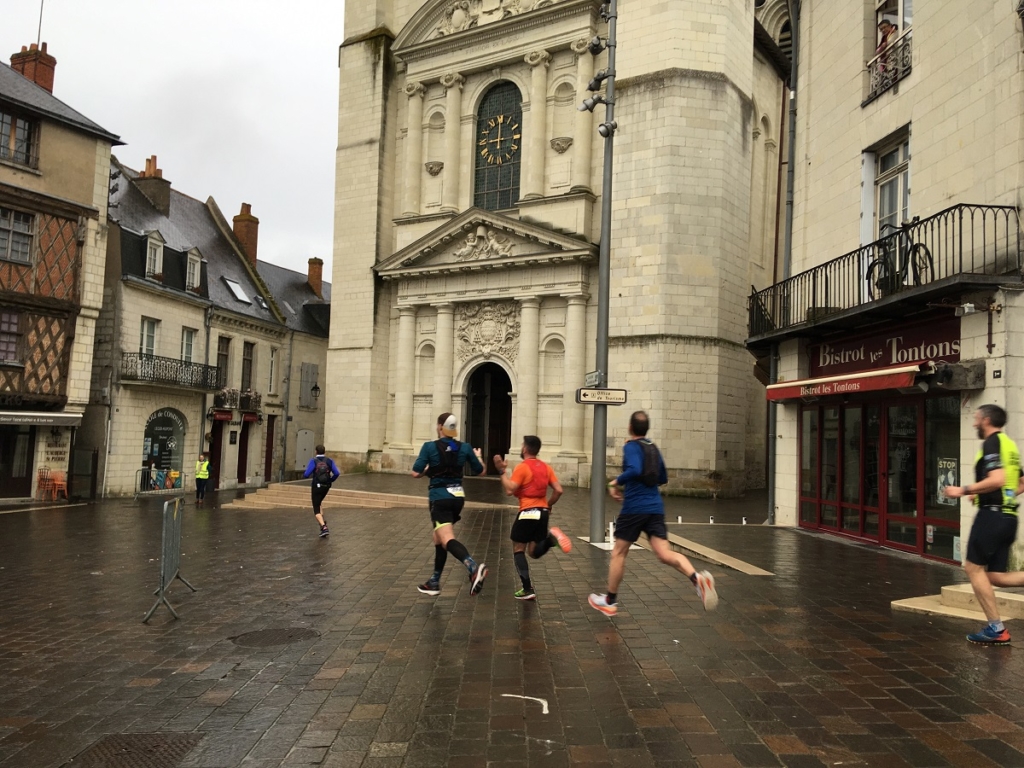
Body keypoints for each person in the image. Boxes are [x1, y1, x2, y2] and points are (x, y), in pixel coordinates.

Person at [589, 410, 719, 616]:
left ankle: (609, 601)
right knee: (664, 554)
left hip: (634, 508)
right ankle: (697, 578)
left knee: (618, 553)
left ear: (630, 428)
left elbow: (634, 469)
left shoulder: (631, 446)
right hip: (654, 508)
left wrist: (615, 482)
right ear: (646, 428)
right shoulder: (653, 448)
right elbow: (662, 477)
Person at [943, 404, 1024, 645]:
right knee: (996, 576)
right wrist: (988, 495)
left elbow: (997, 479)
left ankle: (996, 629)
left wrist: (963, 490)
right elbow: (1020, 481)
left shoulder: (992, 443)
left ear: (987, 419)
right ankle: (996, 628)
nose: (974, 423)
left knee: (972, 568)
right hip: (1008, 517)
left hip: (991, 517)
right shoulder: (1009, 446)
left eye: (977, 419)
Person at [412, 413, 488, 597]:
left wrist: (427, 471)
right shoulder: (464, 447)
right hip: (457, 498)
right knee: (438, 537)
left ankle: (473, 567)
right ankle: (434, 581)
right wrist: (478, 457)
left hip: (440, 498)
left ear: (440, 426)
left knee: (446, 538)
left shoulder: (429, 447)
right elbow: (481, 472)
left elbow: (416, 472)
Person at [493, 435, 572, 600]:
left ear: (525, 449)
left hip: (528, 512)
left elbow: (509, 490)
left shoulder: (522, 467)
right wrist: (549, 504)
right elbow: (558, 490)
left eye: (522, 445)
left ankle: (527, 588)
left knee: (518, 549)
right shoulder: (546, 467)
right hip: (542, 513)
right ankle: (550, 540)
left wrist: (501, 471)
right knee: (533, 552)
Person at [303, 445, 340, 538]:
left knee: (316, 508)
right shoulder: (329, 460)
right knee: (319, 502)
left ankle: (324, 527)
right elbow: (337, 473)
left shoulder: (313, 461)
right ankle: (322, 523)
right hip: (326, 486)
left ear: (316, 451)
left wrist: (308, 475)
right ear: (324, 451)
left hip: (316, 486)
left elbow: (306, 474)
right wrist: (331, 480)